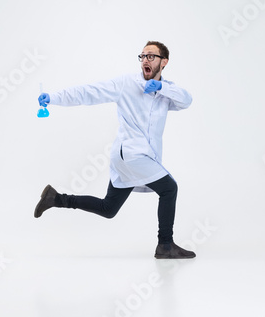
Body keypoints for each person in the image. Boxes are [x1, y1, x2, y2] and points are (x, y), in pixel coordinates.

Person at [34, 41, 195, 259]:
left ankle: (56, 198)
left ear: (163, 62)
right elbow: (88, 93)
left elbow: (186, 100)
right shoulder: (127, 83)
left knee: (108, 208)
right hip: (131, 154)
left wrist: (161, 87)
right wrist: (53, 98)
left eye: (151, 57)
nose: (145, 60)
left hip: (135, 159)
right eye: (143, 56)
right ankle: (165, 245)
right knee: (169, 189)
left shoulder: (167, 92)